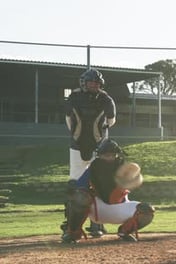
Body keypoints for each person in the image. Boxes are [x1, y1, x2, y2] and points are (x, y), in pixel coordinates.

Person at [61, 139, 155, 243]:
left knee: (147, 210)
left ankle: (125, 231)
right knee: (80, 196)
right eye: (106, 155)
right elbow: (80, 185)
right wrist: (73, 189)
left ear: (117, 155)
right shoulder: (94, 167)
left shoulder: (123, 166)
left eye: (112, 155)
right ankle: (73, 232)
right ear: (99, 155)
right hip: (98, 209)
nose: (109, 157)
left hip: (121, 208)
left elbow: (133, 181)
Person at [64, 68, 116, 237]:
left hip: (94, 148)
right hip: (82, 146)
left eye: (97, 83)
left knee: (95, 185)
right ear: (84, 83)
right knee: (76, 185)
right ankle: (73, 224)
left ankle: (95, 224)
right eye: (91, 82)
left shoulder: (77, 97)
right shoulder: (105, 98)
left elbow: (69, 122)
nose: (94, 85)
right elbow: (111, 122)